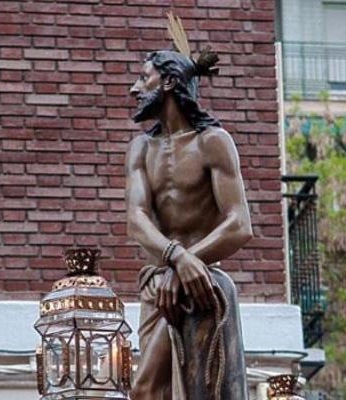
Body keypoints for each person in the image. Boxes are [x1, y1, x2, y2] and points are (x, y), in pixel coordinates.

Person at [124, 37, 253, 400]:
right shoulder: (140, 149)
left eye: (143, 78)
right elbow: (136, 218)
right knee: (158, 392)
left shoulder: (212, 142)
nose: (135, 88)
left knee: (148, 390)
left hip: (200, 287)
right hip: (158, 287)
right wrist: (177, 259)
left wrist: (188, 264)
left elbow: (239, 223)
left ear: (168, 82)